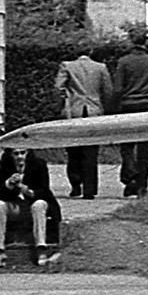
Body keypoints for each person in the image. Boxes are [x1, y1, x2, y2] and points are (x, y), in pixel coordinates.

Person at [112, 30, 148, 198]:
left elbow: (117, 88)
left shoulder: (123, 62)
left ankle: (131, 177)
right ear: (145, 43)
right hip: (147, 105)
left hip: (128, 106)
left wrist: (113, 107)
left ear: (131, 42)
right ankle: (142, 184)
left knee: (127, 146)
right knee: (145, 148)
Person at [56, 47, 114, 199]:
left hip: (74, 111)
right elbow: (107, 91)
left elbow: (58, 87)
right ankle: (89, 189)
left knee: (73, 150)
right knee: (91, 153)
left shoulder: (66, 66)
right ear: (90, 52)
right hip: (94, 110)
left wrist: (64, 101)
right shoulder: (101, 67)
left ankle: (75, 184)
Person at [0, 147, 60, 268]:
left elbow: (44, 190)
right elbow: (1, 194)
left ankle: (41, 249)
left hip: (33, 204)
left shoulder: (39, 164)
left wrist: (29, 191)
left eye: (22, 153)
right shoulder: (6, 165)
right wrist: (9, 184)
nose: (19, 156)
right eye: (16, 154)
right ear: (11, 155)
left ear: (28, 153)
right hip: (15, 206)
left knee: (39, 204)